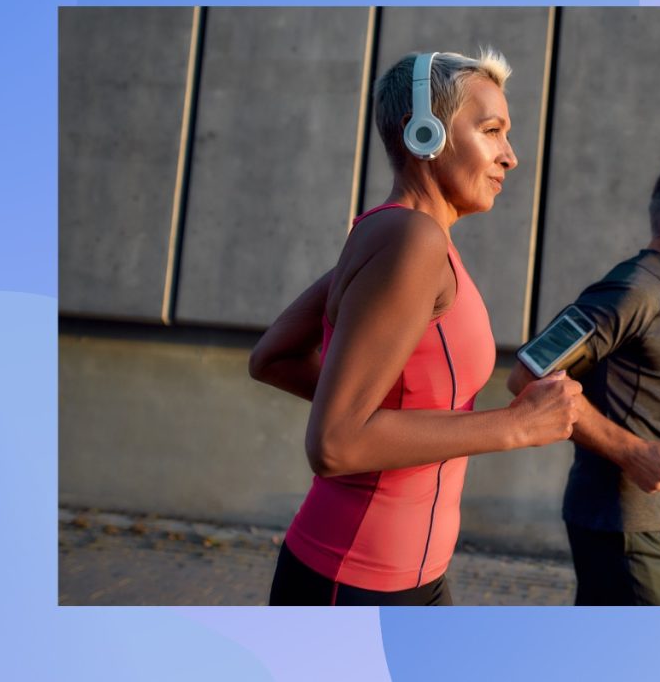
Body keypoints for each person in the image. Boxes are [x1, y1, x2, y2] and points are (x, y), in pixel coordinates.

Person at [249, 49, 581, 606]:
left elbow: (273, 356)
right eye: (492, 130)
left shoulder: (401, 239)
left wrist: (392, 421)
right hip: (353, 580)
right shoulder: (411, 241)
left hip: (415, 575)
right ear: (424, 133)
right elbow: (334, 443)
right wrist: (516, 425)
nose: (511, 157)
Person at [508, 158, 660, 605]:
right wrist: (634, 452)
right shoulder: (637, 289)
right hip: (617, 522)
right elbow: (530, 375)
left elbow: (623, 387)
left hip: (628, 520)